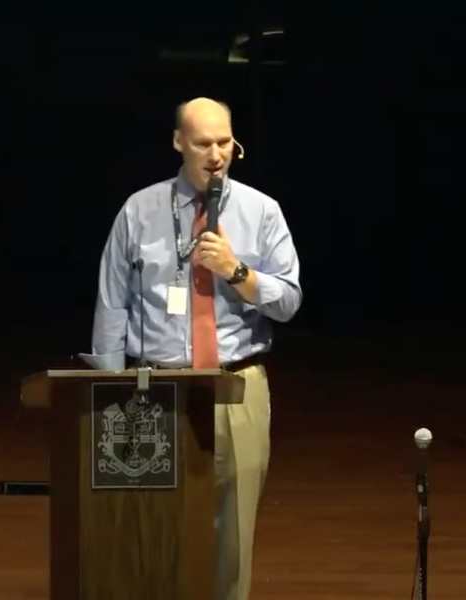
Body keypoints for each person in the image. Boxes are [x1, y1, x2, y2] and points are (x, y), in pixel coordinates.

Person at [91, 97, 302, 600]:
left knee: (232, 531)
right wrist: (108, 397)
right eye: (204, 143)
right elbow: (111, 305)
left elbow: (289, 302)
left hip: (236, 384)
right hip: (152, 388)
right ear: (178, 142)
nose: (216, 154)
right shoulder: (139, 210)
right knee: (148, 529)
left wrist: (237, 271)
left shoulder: (261, 211)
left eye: (225, 142)